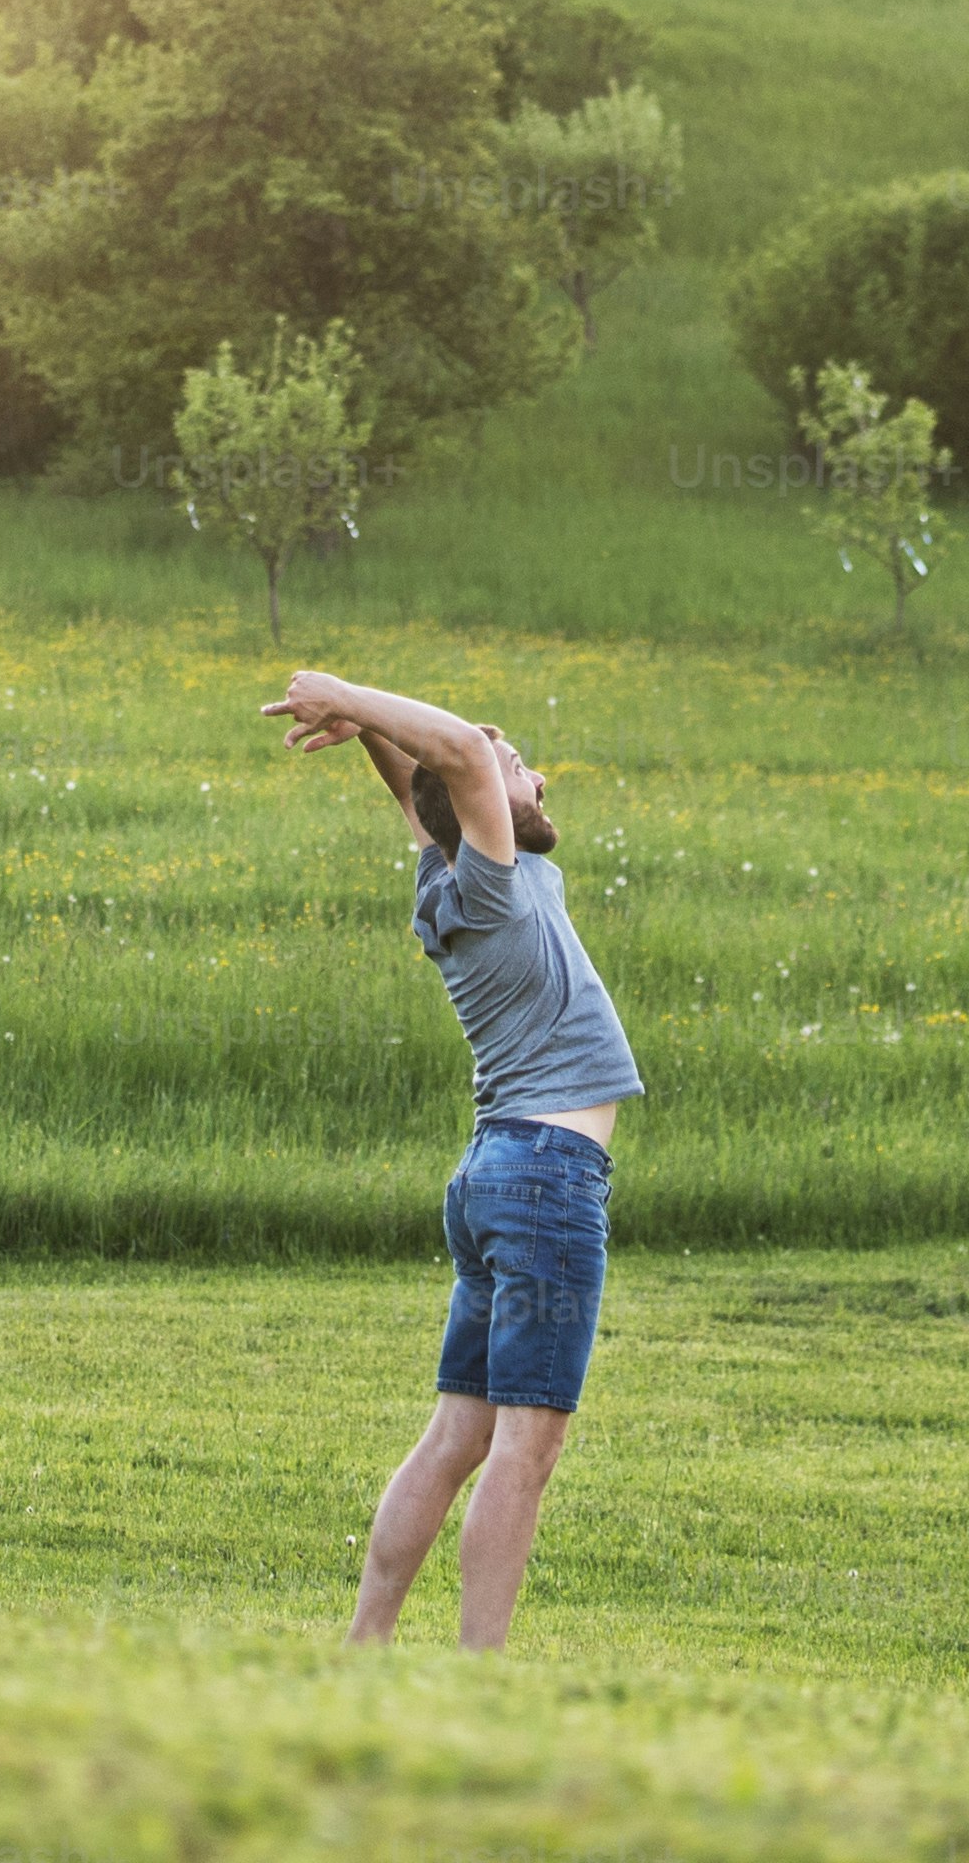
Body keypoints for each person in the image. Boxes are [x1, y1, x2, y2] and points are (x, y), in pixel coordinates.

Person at [262, 664, 642, 1650]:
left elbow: (424, 784)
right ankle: (478, 1673)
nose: (534, 774)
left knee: (459, 1434)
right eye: (519, 770)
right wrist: (348, 688)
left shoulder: (446, 875)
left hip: (494, 1177)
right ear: (480, 804)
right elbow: (462, 755)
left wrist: (365, 727)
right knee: (526, 1446)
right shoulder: (487, 875)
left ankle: (367, 1643)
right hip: (549, 1178)